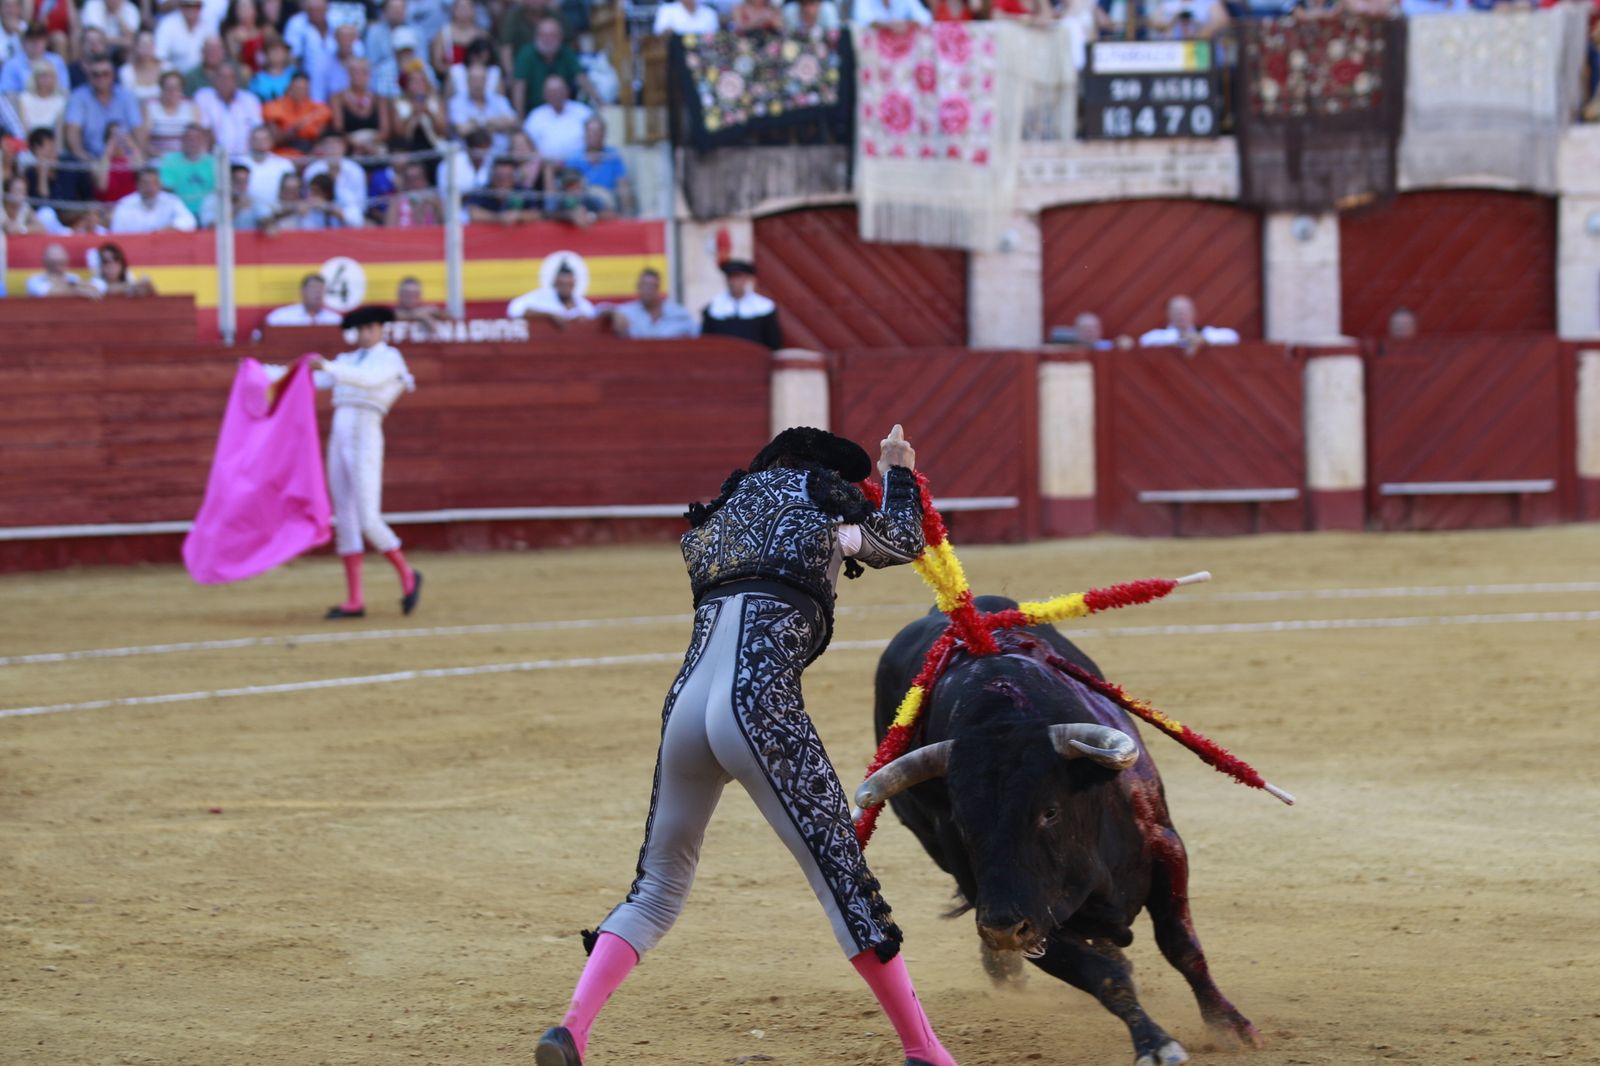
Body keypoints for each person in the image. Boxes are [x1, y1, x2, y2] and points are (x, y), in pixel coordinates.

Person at [533, 424, 961, 1066]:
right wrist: (897, 470)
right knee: (843, 882)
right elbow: (900, 540)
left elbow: (804, 549)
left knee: (655, 887)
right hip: (760, 708)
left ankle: (573, 1028)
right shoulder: (821, 501)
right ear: (821, 473)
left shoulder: (715, 522)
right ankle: (924, 1051)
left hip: (685, 708)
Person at [262, 306, 423, 620]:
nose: (363, 334)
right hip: (341, 437)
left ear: (380, 329)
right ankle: (354, 600)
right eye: (359, 330)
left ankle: (407, 574)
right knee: (345, 518)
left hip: (366, 434)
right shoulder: (347, 360)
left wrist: (328, 366)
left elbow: (369, 380)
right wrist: (259, 372)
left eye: (369, 328)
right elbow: (307, 378)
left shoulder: (390, 359)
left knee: (368, 518)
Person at [64, 53, 143, 161]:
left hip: (124, 158)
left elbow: (137, 130)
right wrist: (83, 157)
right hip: (91, 158)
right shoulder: (78, 97)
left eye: (105, 74)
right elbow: (73, 132)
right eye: (96, 74)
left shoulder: (127, 96)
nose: (101, 78)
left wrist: (138, 156)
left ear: (113, 76)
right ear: (89, 76)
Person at [511, 14, 588, 115]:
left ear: (560, 37)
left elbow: (581, 78)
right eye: (544, 35)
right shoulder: (526, 54)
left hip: (565, 111)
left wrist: (601, 103)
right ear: (536, 36)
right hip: (534, 111)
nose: (548, 39)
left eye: (552, 35)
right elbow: (519, 87)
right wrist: (520, 117)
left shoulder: (566, 53)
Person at [700, 258, 781, 349]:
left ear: (747, 278)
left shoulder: (764, 308)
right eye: (730, 277)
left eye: (738, 277)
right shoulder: (714, 308)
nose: (734, 282)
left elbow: (773, 342)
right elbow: (707, 341)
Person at [193, 60, 261, 157]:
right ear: (214, 79)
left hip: (245, 157)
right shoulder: (203, 96)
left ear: (236, 80)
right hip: (214, 156)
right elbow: (204, 129)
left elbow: (257, 129)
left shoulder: (250, 100)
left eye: (230, 77)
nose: (225, 81)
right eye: (221, 77)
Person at [608, 267, 697, 339]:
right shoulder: (627, 312)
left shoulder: (678, 313)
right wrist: (613, 313)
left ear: (658, 288)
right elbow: (598, 311)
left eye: (652, 286)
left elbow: (697, 333)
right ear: (638, 287)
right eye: (644, 285)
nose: (648, 290)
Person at [565, 114, 629, 215]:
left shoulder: (613, 156)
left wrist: (627, 213)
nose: (594, 135)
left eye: (598, 132)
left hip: (608, 208)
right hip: (583, 207)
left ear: (604, 134)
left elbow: (623, 185)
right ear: (585, 134)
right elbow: (569, 190)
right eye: (590, 131)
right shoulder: (575, 158)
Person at [521, 73, 589, 164]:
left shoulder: (583, 112)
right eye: (551, 92)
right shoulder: (536, 116)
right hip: (545, 167)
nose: (556, 95)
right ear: (545, 94)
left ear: (567, 91)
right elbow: (526, 144)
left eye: (559, 91)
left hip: (580, 166)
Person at [110, 162, 197, 232]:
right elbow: (117, 231)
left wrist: (171, 228)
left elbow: (190, 221)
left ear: (160, 185)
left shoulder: (172, 201)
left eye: (154, 183)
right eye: (145, 183)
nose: (150, 187)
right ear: (137, 185)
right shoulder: (125, 205)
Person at [1137, 294, 1239, 353]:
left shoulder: (1204, 332)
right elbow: (1145, 341)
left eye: (1184, 311)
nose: (1181, 315)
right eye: (1176, 311)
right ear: (1169, 314)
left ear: (1193, 313)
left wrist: (1203, 340)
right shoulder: (1159, 335)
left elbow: (1232, 337)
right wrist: (1182, 342)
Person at [262, 68, 332, 153]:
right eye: (297, 88)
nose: (300, 91)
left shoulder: (320, 109)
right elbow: (274, 139)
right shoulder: (273, 107)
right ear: (289, 87)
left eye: (304, 88)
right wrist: (295, 129)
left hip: (310, 153)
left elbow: (321, 138)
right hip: (282, 153)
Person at [507, 260, 595, 325]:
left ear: (574, 284)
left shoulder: (580, 302)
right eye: (562, 284)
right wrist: (549, 315)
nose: (565, 288)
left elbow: (592, 314)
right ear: (555, 283)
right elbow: (515, 310)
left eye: (569, 284)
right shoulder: (542, 296)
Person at [157, 122, 215, 216]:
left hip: (209, 211)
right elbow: (168, 191)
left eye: (196, 139)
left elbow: (218, 191)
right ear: (182, 140)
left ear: (203, 140)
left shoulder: (213, 163)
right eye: (189, 138)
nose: (192, 142)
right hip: (180, 211)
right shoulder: (170, 161)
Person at [144, 69, 200, 156]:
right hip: (158, 159)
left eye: (176, 88)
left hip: (186, 159)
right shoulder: (150, 107)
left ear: (182, 90)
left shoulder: (191, 107)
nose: (172, 91)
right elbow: (144, 140)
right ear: (161, 89)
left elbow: (198, 139)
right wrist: (161, 157)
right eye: (168, 88)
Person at [155, 0, 210, 76]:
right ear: (180, 7)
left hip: (202, 76)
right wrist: (175, 74)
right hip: (174, 76)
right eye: (188, 6)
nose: (192, 10)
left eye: (196, 6)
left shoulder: (207, 24)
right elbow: (160, 56)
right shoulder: (168, 24)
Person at [265, 271, 342, 325]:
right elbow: (259, 339)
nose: (317, 293)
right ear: (302, 291)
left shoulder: (334, 320)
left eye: (321, 290)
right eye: (313, 289)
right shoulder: (281, 317)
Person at [26, 242, 100, 297]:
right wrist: (77, 289)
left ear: (66, 261)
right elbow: (49, 293)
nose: (57, 267)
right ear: (45, 262)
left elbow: (94, 289)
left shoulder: (73, 277)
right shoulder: (35, 280)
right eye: (53, 262)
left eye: (61, 262)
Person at [90, 240, 157, 295]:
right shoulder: (95, 282)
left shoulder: (130, 280)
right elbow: (103, 289)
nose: (111, 265)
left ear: (122, 264)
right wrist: (134, 286)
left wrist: (148, 287)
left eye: (116, 259)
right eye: (106, 261)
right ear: (100, 266)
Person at [652, 0, 720, 34]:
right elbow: (659, 33)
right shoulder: (666, 10)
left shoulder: (710, 13)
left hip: (703, 54)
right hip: (674, 54)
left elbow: (714, 36)